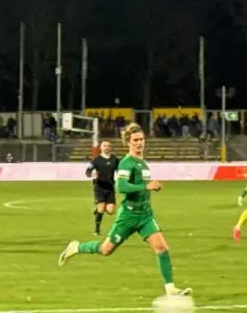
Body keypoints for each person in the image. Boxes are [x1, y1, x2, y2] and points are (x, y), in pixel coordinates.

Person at [58, 124, 191, 297]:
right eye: (135, 140)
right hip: (128, 216)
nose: (139, 143)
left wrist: (151, 187)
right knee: (106, 249)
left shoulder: (142, 163)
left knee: (162, 248)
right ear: (128, 142)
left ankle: (170, 288)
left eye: (142, 139)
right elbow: (121, 186)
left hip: (144, 215)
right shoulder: (126, 163)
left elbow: (142, 187)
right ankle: (76, 247)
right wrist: (147, 186)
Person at [85, 139, 118, 235]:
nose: (106, 147)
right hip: (99, 187)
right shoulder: (96, 160)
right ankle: (97, 229)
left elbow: (120, 170)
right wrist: (91, 175)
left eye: (108, 145)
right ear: (101, 147)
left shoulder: (114, 159)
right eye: (104, 145)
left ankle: (99, 208)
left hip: (110, 187)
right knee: (101, 208)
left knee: (111, 211)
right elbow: (88, 171)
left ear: (110, 148)